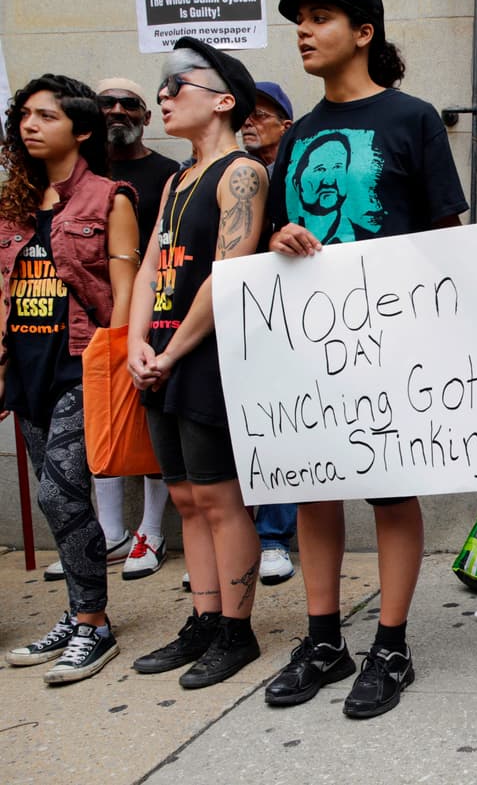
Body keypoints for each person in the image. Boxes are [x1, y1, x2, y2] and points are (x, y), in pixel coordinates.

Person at [261, 0, 467, 719]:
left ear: (365, 32)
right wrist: (279, 236)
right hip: (310, 342)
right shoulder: (297, 134)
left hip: (391, 341)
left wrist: (455, 330)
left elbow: (447, 236)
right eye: (300, 23)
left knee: (388, 490)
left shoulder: (411, 118)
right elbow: (270, 243)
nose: (304, 32)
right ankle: (323, 638)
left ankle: (391, 643)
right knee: (314, 485)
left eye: (321, 19)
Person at [127, 39, 268, 690]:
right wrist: (136, 345)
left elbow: (228, 271)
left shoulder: (241, 172)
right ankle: (205, 619)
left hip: (207, 356)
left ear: (222, 100)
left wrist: (172, 350)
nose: (161, 94)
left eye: (174, 83)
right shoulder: (177, 179)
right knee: (184, 494)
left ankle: (237, 630)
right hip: (159, 355)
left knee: (217, 494)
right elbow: (152, 265)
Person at [0, 74, 139, 684]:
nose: (31, 125)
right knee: (56, 497)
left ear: (81, 129)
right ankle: (78, 612)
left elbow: (127, 290)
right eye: (25, 115)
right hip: (26, 366)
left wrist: (128, 355)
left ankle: (94, 624)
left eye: (46, 116)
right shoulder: (12, 202)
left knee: (61, 491)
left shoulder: (110, 198)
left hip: (81, 363)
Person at [44, 77, 179, 584]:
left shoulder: (169, 172)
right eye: (107, 104)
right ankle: (108, 532)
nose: (118, 111)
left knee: (148, 425)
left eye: (130, 104)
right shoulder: (80, 177)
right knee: (101, 428)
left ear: (147, 117)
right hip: (83, 324)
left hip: (154, 314)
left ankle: (150, 530)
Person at [235, 79, 300, 586]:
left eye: (262, 113)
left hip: (294, 319)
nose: (251, 122)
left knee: (283, 429)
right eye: (245, 114)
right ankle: (236, 543)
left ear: (286, 123)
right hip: (241, 317)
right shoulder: (232, 176)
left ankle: (273, 538)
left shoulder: (295, 173)